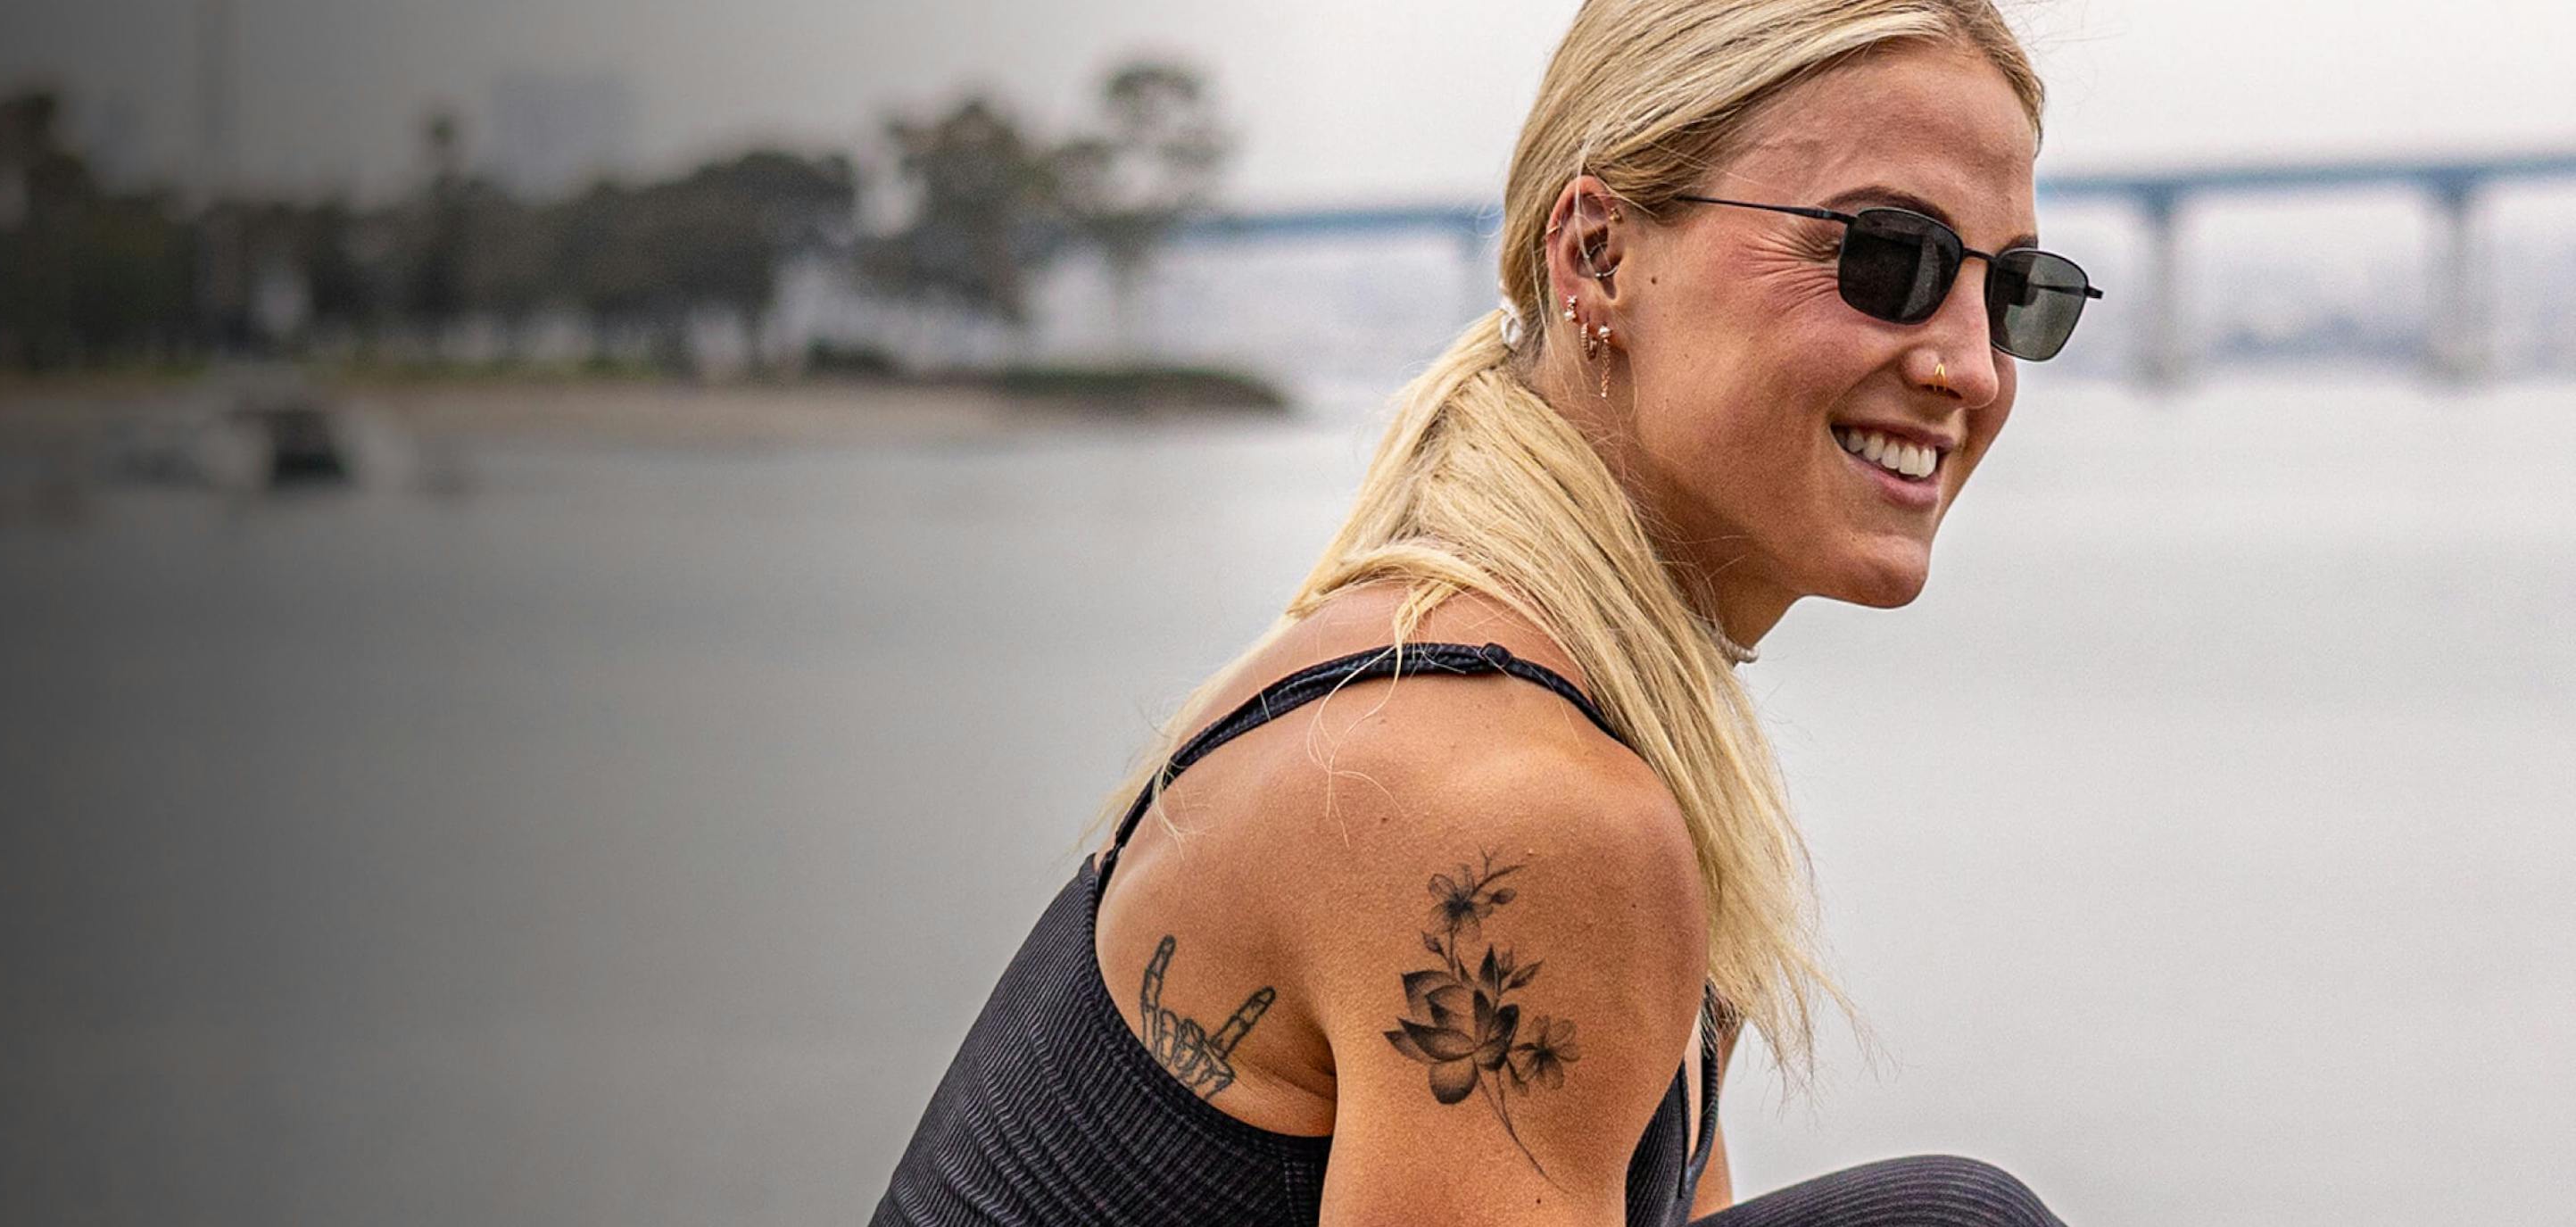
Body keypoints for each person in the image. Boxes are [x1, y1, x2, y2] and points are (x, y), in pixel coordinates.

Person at [871, 1, 2103, 1223]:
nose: (1972, 367)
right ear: (1598, 256)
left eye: (2011, 297)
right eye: (1890, 259)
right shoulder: (1520, 805)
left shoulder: (1555, 692)